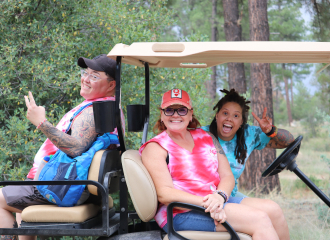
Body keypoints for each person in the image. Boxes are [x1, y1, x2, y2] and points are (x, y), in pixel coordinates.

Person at [0, 54, 124, 240]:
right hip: (58, 181)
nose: (86, 79)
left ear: (111, 84)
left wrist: (40, 122)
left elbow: (76, 148)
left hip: (60, 184)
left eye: (95, 76)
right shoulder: (107, 107)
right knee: (21, 209)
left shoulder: (95, 110)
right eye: (85, 73)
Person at [140, 88, 283, 240]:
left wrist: (220, 196)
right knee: (259, 219)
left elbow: (227, 176)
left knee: (273, 210)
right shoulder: (156, 147)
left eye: (182, 110)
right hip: (181, 212)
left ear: (190, 114)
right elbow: (165, 194)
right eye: (169, 110)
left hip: (212, 201)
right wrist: (210, 204)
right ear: (162, 115)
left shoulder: (206, 137)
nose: (175, 115)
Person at [202, 88, 294, 240]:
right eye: (225, 113)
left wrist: (271, 130)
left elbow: (289, 140)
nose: (229, 119)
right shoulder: (201, 136)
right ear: (217, 115)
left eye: (236, 116)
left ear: (241, 122)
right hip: (209, 197)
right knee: (261, 218)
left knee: (275, 211)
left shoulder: (248, 135)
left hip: (229, 195)